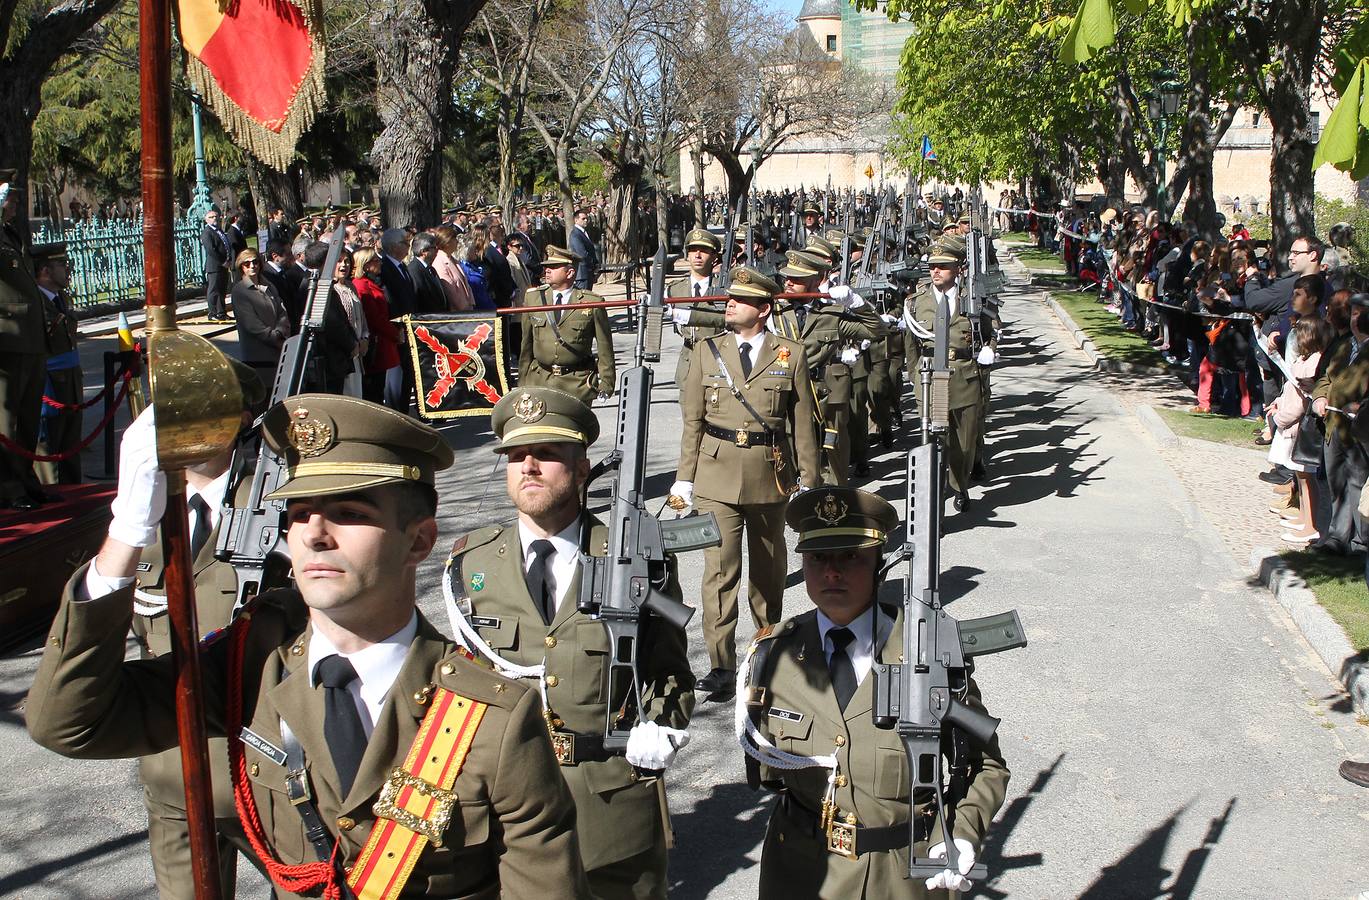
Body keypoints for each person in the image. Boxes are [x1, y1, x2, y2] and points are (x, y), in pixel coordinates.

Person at [27, 393, 592, 899]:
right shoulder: (254, 667)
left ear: (418, 539)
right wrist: (127, 531)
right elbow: (70, 724)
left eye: (349, 513)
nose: (315, 534)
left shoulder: (494, 718)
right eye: (299, 514)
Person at [448, 387, 694, 898]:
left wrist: (664, 725)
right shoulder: (471, 564)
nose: (529, 467)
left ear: (583, 470)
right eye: (516, 456)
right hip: (507, 814)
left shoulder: (635, 559)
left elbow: (669, 671)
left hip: (611, 807)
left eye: (547, 455)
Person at [738, 486, 1009, 899]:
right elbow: (767, 772)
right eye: (818, 559)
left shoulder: (928, 652)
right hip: (800, 873)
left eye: (850, 557)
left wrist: (961, 833)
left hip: (902, 876)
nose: (832, 572)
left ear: (879, 566)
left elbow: (984, 765)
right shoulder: (774, 654)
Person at [121, 361, 266, 899]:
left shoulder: (282, 504)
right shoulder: (145, 512)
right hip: (172, 776)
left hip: (266, 775)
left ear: (239, 416)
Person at [671, 265, 821, 701]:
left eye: (740, 300)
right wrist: (684, 478)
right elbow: (693, 421)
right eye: (729, 298)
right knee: (719, 573)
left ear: (764, 308)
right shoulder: (707, 351)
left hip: (769, 475)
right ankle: (721, 665)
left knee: (768, 571)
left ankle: (765, 652)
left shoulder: (789, 353)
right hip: (716, 475)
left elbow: (802, 426)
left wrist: (808, 481)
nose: (729, 304)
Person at [772, 249, 884, 486]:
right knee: (791, 446)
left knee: (829, 450)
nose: (788, 283)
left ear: (815, 281)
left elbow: (877, 330)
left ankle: (832, 500)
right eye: (787, 278)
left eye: (797, 279)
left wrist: (857, 303)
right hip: (786, 392)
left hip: (820, 393)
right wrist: (685, 316)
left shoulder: (831, 314)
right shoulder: (775, 312)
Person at [0, 170, 50, 509]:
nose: (17, 203)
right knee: (8, 417)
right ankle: (9, 487)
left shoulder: (9, 235)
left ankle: (26, 478)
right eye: (12, 198)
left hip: (30, 338)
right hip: (8, 339)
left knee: (29, 415)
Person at [1310, 292, 1369, 554]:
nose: (1356, 320)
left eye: (1361, 315)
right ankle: (1337, 536)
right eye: (1354, 314)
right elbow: (1326, 377)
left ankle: (1356, 541)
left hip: (1358, 430)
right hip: (1333, 423)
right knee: (1336, 483)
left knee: (1356, 485)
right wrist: (1320, 397)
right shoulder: (1345, 345)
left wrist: (1360, 406)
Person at [518, 245, 615, 405]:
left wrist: (606, 383)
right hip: (540, 381)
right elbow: (526, 345)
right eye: (547, 267)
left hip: (577, 383)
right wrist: (523, 380)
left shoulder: (591, 303)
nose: (547, 270)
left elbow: (605, 347)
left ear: (570, 272)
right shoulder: (533, 299)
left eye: (554, 267)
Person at [31, 242, 83, 484]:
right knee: (49, 445)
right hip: (50, 385)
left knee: (72, 444)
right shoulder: (35, 304)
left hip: (71, 381)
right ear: (45, 271)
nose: (67, 270)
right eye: (61, 265)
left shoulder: (61, 298)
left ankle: (76, 492)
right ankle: (52, 492)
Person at [666, 228, 726, 388]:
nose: (697, 256)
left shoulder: (724, 289)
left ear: (714, 256)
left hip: (718, 361)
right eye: (693, 250)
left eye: (704, 251)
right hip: (688, 364)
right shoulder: (675, 290)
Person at [231, 249, 291, 389]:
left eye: (255, 262)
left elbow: (282, 312)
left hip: (279, 353)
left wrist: (281, 333)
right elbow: (253, 325)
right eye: (247, 263)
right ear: (241, 267)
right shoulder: (240, 291)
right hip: (258, 356)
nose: (252, 266)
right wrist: (276, 339)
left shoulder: (268, 286)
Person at [352, 247, 400, 405]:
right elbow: (374, 318)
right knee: (374, 391)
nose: (379, 262)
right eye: (375, 260)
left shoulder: (369, 283)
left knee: (378, 388)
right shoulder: (361, 286)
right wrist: (394, 333)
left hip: (382, 342)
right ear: (365, 265)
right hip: (376, 344)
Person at [432, 225, 475, 311]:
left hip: (467, 311)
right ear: (446, 241)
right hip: (458, 314)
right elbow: (450, 291)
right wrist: (465, 310)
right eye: (454, 239)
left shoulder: (452, 259)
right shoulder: (439, 262)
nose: (457, 242)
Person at [200, 208, 232, 322]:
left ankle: (221, 312)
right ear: (206, 220)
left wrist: (228, 260)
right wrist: (223, 261)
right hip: (214, 266)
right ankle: (212, 312)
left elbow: (226, 245)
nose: (215, 219)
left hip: (224, 265)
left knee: (222, 289)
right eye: (211, 217)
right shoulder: (207, 233)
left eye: (216, 216)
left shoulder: (219, 231)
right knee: (214, 290)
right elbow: (211, 250)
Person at [406, 232, 449, 314]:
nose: (437, 250)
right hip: (426, 320)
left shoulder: (431, 269)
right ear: (423, 252)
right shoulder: (414, 270)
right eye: (434, 247)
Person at [570, 209, 599, 290]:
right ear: (576, 220)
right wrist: (593, 263)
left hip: (587, 272)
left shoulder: (583, 232)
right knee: (583, 300)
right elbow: (582, 254)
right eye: (583, 219)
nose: (586, 220)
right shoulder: (575, 234)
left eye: (587, 218)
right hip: (582, 273)